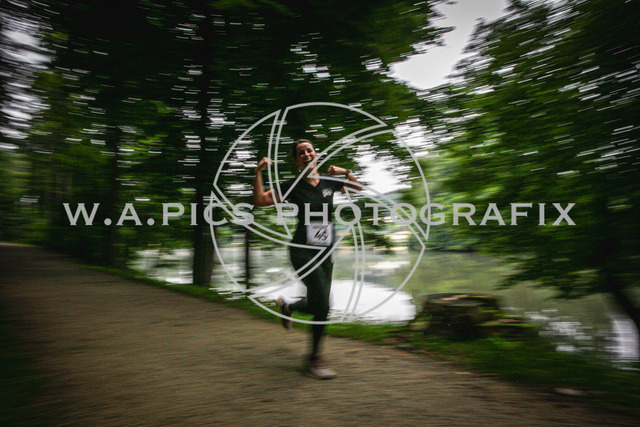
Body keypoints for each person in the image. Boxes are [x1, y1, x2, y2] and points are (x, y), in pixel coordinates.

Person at [253, 138, 362, 379]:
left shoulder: (329, 182)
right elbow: (260, 200)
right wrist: (258, 172)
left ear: (315, 154)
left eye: (309, 150)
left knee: (318, 304)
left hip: (325, 251)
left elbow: (357, 188)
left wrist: (345, 171)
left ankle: (288, 307)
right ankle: (314, 359)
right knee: (324, 304)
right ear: (296, 160)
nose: (306, 154)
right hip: (302, 249)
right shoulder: (292, 186)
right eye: (301, 152)